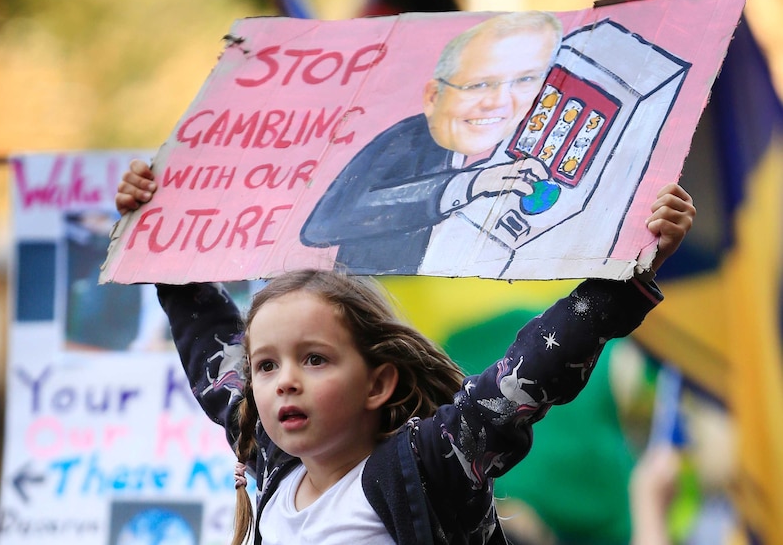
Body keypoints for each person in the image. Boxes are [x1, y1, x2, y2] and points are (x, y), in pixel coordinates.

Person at [116, 160, 695, 544]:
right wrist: (161, 232)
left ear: (378, 383)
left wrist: (628, 276)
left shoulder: (428, 466)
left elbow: (525, 374)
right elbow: (211, 348)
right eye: (266, 365)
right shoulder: (270, 459)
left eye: (314, 359)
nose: (283, 381)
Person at [299, 11, 561, 274]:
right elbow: (325, 223)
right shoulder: (409, 141)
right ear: (434, 96)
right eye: (479, 84)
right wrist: (470, 185)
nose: (499, 101)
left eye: (525, 80)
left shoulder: (524, 143)